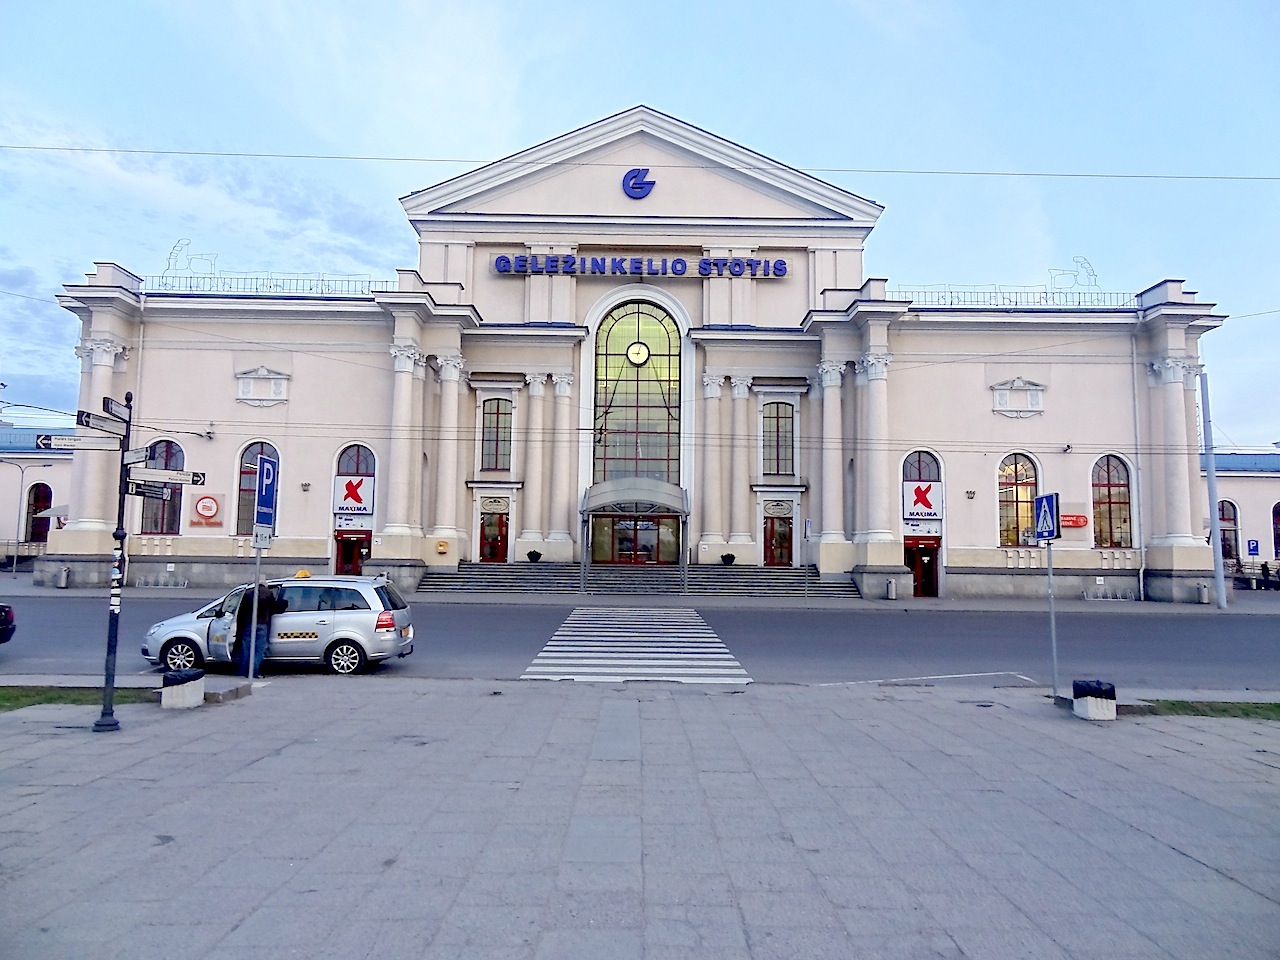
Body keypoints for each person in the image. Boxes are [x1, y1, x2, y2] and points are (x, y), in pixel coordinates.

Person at [235, 581, 279, 678]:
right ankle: (254, 671)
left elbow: (241, 611)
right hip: (262, 624)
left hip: (248, 623)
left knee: (246, 648)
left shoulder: (248, 593)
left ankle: (243, 670)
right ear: (265, 585)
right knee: (259, 649)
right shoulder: (268, 593)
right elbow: (274, 608)